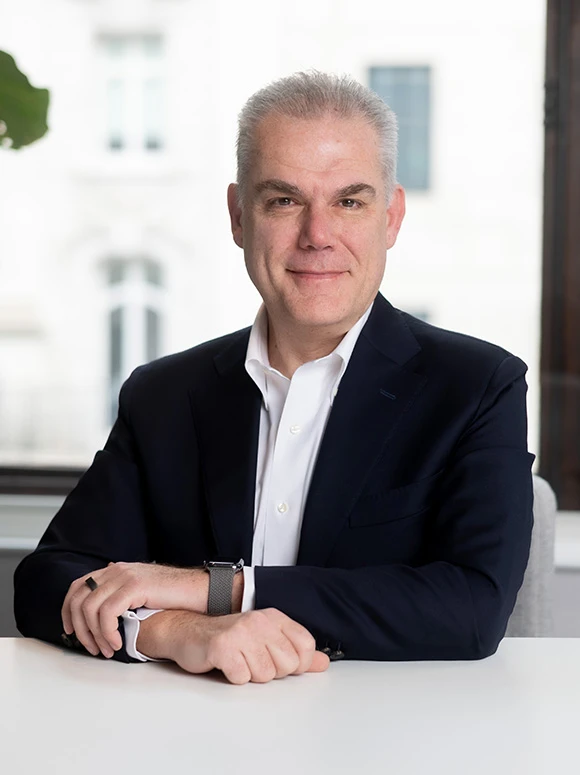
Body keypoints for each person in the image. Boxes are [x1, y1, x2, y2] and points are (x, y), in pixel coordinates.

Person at [14, 71, 534, 685]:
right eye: (284, 201)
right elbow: (47, 581)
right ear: (239, 216)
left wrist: (216, 590)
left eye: (349, 202)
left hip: (385, 728)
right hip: (191, 726)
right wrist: (175, 631)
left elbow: (472, 608)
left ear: (391, 217)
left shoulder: (478, 386)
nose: (317, 236)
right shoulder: (163, 395)